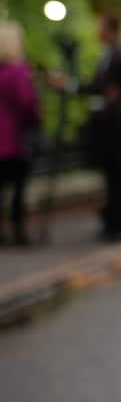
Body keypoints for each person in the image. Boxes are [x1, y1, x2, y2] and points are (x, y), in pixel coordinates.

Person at [87, 14, 121, 241]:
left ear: (112, 30)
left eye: (102, 27)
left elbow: (112, 92)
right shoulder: (108, 57)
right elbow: (100, 88)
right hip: (107, 126)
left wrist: (109, 97)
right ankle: (116, 222)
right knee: (112, 175)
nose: (98, 32)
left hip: (116, 126)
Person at [0, 21, 41, 246]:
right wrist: (35, 122)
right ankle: (18, 232)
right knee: (17, 189)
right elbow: (27, 103)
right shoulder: (18, 70)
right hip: (13, 139)